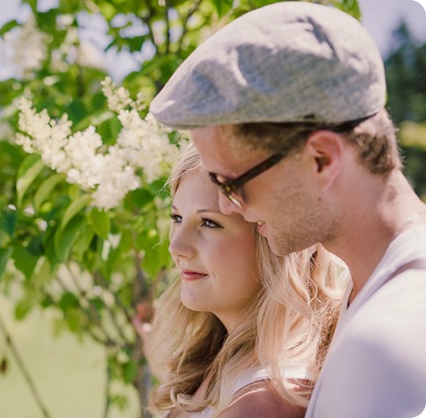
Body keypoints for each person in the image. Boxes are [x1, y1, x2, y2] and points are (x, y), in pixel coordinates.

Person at [149, 2, 426, 417]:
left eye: (233, 182)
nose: (228, 204)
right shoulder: (367, 290)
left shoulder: (387, 337)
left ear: (321, 160)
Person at [134, 144, 343, 417]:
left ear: (273, 243)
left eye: (209, 223)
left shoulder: (261, 403)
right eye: (177, 217)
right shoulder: (226, 365)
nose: (176, 246)